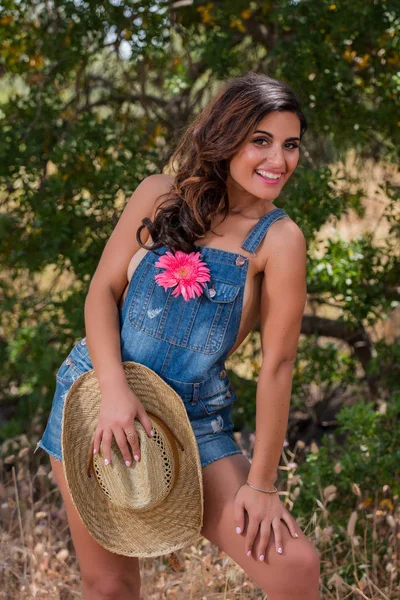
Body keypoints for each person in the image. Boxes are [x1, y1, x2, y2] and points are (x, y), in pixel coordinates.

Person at [35, 72, 320, 599]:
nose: (277, 160)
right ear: (227, 136)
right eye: (261, 140)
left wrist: (261, 485)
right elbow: (101, 293)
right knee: (110, 586)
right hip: (95, 399)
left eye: (290, 144)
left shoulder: (280, 240)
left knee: (294, 566)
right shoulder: (159, 194)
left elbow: (277, 367)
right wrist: (115, 393)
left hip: (195, 418)